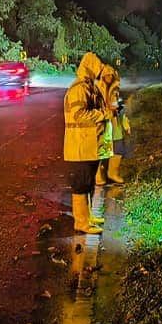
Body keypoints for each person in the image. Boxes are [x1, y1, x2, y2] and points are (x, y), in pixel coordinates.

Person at [63, 52, 111, 233]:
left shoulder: (89, 87)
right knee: (81, 185)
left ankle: (87, 217)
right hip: (79, 147)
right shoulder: (79, 89)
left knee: (88, 183)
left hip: (88, 146)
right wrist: (102, 115)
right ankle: (81, 222)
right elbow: (79, 115)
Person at [95, 66, 130, 185]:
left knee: (119, 148)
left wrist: (125, 123)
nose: (109, 78)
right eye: (107, 75)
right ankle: (98, 175)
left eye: (111, 75)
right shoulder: (97, 89)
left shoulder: (115, 89)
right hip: (103, 123)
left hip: (115, 123)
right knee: (102, 150)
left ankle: (112, 173)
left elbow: (118, 108)